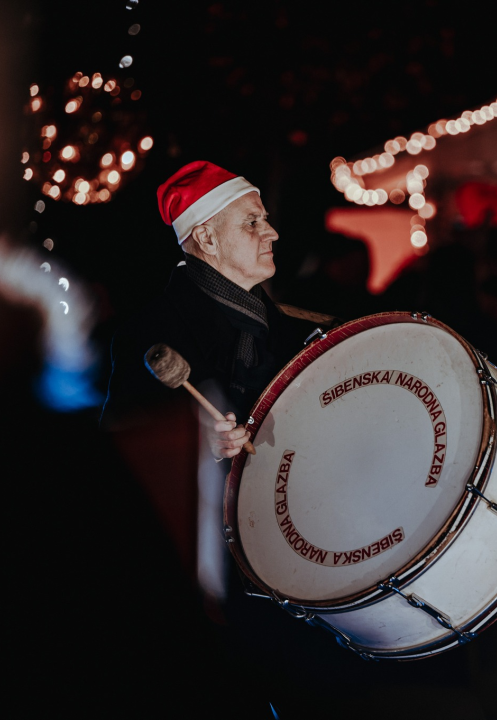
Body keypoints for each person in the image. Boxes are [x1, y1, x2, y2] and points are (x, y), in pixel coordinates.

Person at [100, 160, 331, 608]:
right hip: (205, 582)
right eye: (252, 222)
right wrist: (197, 445)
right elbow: (121, 458)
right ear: (206, 237)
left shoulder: (293, 334)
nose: (272, 233)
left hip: (300, 560)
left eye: (264, 219)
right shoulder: (151, 333)